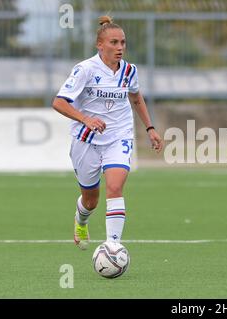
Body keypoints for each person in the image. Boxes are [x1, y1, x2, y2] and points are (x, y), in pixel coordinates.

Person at [53, 15, 163, 250]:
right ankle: (81, 219)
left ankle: (113, 246)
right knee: (91, 200)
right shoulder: (85, 69)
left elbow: (135, 97)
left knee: (115, 186)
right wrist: (86, 119)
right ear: (100, 45)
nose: (120, 48)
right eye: (114, 43)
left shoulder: (129, 71)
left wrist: (150, 128)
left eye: (123, 42)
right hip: (86, 140)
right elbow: (59, 102)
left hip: (119, 136)